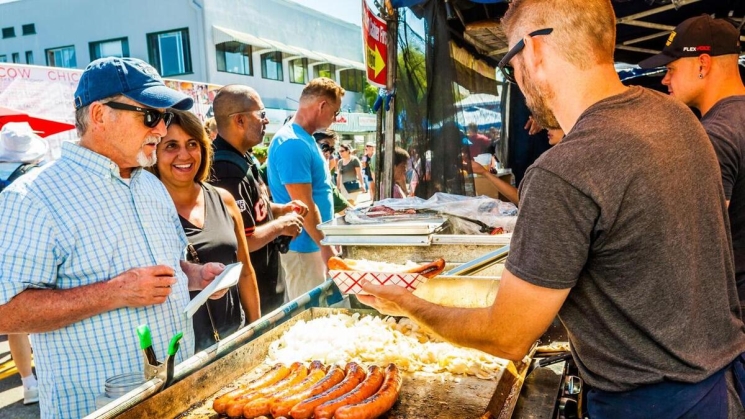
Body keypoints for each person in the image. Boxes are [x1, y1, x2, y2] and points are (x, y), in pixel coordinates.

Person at [359, 1, 745, 417]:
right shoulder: (678, 118)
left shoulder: (564, 171)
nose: (516, 76)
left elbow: (508, 337)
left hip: (649, 401)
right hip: (724, 381)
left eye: (512, 60)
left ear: (535, 52)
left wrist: (407, 304)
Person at [0, 57, 227, 418]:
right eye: (150, 116)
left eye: (165, 116)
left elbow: (163, 264)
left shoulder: (149, 183)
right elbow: (5, 312)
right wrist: (113, 293)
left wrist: (193, 276)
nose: (162, 129)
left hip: (178, 393)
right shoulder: (32, 198)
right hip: (98, 407)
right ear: (100, 115)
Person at [639, 14, 745, 311]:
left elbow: (696, 244)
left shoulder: (714, 136)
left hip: (734, 314)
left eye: (671, 68)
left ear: (702, 64)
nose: (664, 79)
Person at [150, 109, 261, 351]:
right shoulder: (148, 210)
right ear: (154, 154)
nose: (184, 154)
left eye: (192, 143)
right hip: (183, 352)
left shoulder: (224, 199)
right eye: (171, 146)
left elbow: (245, 272)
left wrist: (256, 331)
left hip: (235, 337)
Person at [210, 85, 306, 314]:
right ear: (239, 120)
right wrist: (282, 226)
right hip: (254, 295)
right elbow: (243, 238)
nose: (266, 121)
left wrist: (281, 209)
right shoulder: (224, 169)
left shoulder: (243, 157)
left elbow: (254, 209)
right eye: (262, 114)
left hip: (269, 284)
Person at [267, 77, 341, 300]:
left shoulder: (303, 139)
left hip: (312, 245)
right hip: (304, 247)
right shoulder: (293, 143)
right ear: (322, 105)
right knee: (311, 318)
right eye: (335, 112)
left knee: (323, 312)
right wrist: (326, 247)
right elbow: (304, 205)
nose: (334, 119)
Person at [0, 122, 45, 405]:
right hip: (30, 248)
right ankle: (44, 374)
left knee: (14, 319)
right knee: (44, 312)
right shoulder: (38, 175)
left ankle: (28, 382)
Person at [313, 130, 352, 214]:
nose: (328, 153)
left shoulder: (323, 178)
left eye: (332, 149)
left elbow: (346, 210)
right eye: (324, 146)